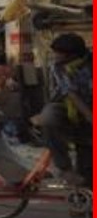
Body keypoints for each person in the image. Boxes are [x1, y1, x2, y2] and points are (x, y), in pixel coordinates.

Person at [35, 33, 92, 186]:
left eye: (58, 54)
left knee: (87, 164)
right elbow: (70, 93)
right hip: (65, 107)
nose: (55, 57)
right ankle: (65, 168)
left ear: (71, 55)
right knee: (48, 117)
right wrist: (90, 117)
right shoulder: (58, 67)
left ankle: (83, 202)